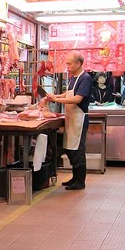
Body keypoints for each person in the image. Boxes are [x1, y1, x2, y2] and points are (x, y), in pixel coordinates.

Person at [41, 52, 93, 190]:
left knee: (78, 150)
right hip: (71, 119)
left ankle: (80, 181)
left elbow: (77, 99)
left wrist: (57, 100)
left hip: (79, 119)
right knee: (70, 149)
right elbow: (68, 93)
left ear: (78, 63)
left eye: (69, 63)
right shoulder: (73, 78)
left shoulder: (85, 78)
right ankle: (75, 178)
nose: (67, 66)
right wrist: (55, 96)